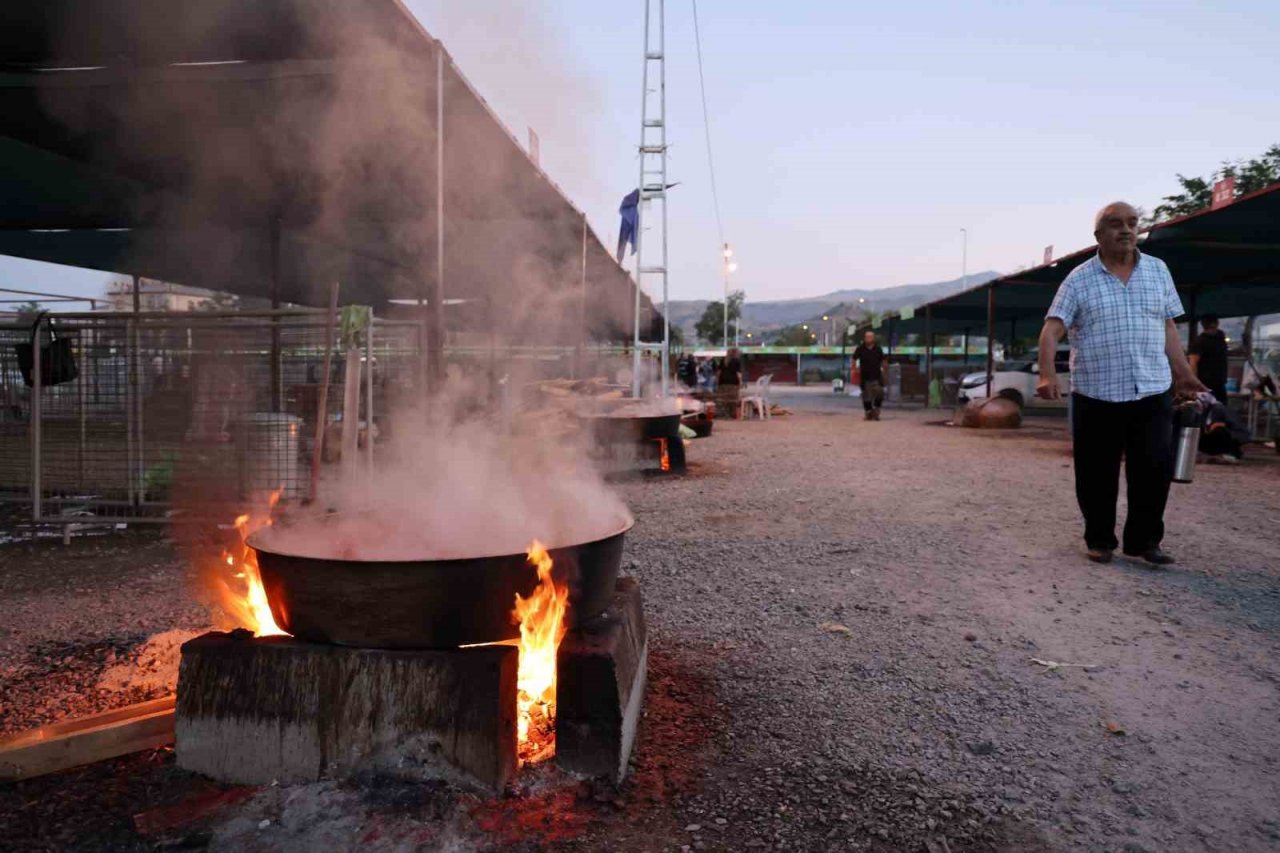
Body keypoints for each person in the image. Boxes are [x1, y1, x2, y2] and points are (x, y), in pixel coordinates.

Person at [1036, 202, 1206, 566]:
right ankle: (1100, 540)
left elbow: (1167, 326)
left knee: (1153, 469)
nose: (1126, 230)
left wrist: (1183, 374)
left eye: (1132, 223)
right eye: (1115, 225)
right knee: (1096, 472)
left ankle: (1144, 541)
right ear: (1099, 235)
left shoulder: (1158, 271)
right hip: (1096, 393)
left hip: (1151, 388)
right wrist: (1047, 373)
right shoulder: (1079, 278)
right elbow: (1052, 329)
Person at [1188, 314, 1229, 403]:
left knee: (1220, 408)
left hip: (1219, 381)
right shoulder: (1200, 341)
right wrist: (1195, 382)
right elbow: (1193, 362)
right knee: (1206, 409)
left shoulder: (1220, 337)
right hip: (1205, 382)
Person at [852, 330, 886, 420]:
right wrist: (855, 369)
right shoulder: (860, 348)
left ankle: (876, 410)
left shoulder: (878, 349)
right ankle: (869, 412)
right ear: (864, 338)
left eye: (870, 337)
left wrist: (885, 371)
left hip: (877, 376)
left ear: (873, 338)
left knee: (880, 393)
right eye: (867, 337)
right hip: (864, 376)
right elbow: (854, 359)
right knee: (866, 395)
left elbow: (883, 360)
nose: (868, 339)